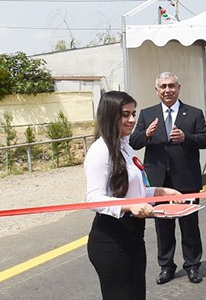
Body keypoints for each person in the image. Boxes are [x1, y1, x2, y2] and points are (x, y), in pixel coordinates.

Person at [85, 91, 182, 300]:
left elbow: (133, 190)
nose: (132, 120)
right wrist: (130, 207)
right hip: (111, 240)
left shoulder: (124, 146)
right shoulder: (100, 151)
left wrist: (162, 192)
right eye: (125, 114)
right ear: (110, 116)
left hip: (133, 236)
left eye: (133, 114)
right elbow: (94, 198)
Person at [130, 72, 206, 285]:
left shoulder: (193, 113)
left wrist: (187, 138)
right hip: (158, 182)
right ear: (157, 90)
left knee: (190, 225)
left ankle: (193, 266)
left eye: (171, 86)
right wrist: (146, 134)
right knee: (163, 226)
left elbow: (205, 139)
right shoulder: (148, 114)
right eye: (163, 86)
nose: (168, 90)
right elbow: (134, 142)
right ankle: (166, 266)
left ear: (178, 88)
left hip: (186, 179)